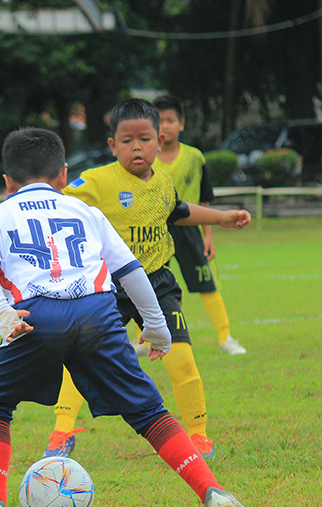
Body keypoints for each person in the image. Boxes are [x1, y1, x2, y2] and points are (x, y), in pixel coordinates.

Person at [0, 127, 248, 507]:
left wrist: (2, 315)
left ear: (6, 181)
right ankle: (214, 492)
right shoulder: (87, 212)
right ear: (63, 175)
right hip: (99, 313)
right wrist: (156, 327)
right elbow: (130, 269)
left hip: (36, 316)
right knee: (148, 410)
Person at [46, 98, 252, 461]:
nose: (136, 147)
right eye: (126, 141)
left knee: (182, 359)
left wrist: (220, 218)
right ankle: (61, 433)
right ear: (112, 145)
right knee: (82, 358)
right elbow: (55, 198)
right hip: (107, 287)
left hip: (156, 283)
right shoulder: (96, 180)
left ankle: (199, 437)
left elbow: (179, 211)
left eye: (144, 139)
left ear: (161, 140)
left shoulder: (164, 182)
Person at [153, 93, 246, 356]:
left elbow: (205, 201)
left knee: (207, 284)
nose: (166, 126)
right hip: (156, 232)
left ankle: (225, 336)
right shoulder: (147, 158)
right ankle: (141, 338)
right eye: (160, 121)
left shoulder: (195, 157)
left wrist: (208, 236)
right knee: (146, 284)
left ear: (181, 124)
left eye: (171, 120)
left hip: (190, 230)